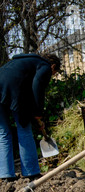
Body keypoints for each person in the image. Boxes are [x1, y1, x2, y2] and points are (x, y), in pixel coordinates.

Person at [0, 53, 61, 182]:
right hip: (13, 91)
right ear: (53, 66)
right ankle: (31, 172)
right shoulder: (44, 66)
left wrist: (35, 117)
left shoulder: (21, 63)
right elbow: (37, 87)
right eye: (54, 73)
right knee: (24, 130)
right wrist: (38, 113)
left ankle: (6, 175)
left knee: (3, 133)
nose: (51, 76)